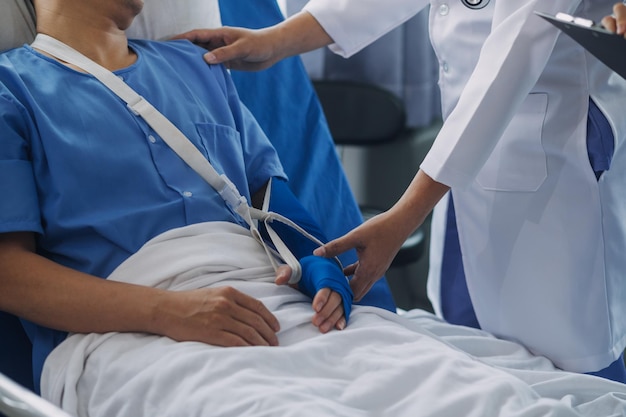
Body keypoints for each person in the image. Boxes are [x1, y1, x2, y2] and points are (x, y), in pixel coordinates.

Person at [177, 0, 626, 382]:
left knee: (571, 362)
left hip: (550, 149)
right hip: (467, 161)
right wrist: (277, 40)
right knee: (487, 365)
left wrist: (404, 215)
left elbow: (514, 56)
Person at [0, 0, 353, 394]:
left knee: (416, 377)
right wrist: (170, 311)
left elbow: (271, 197)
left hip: (275, 302)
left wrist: (318, 262)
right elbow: (8, 273)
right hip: (128, 334)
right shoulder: (10, 91)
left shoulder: (198, 67)